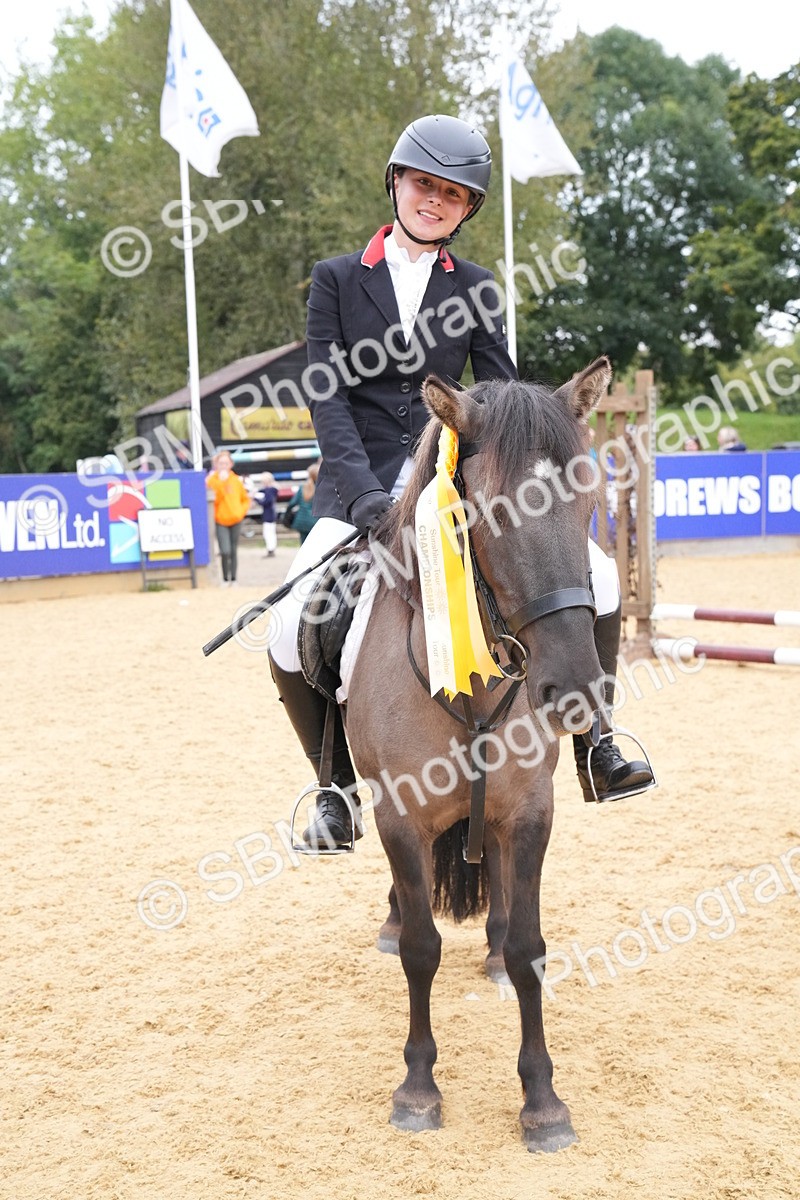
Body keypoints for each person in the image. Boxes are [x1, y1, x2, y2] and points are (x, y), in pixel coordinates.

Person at [267, 114, 654, 851]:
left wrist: (512, 473)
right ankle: (336, 790)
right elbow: (328, 398)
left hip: (457, 487)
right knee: (289, 628)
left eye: (453, 194)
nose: (435, 201)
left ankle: (597, 745)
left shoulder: (476, 287)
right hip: (363, 488)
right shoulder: (337, 280)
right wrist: (364, 497)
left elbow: (503, 394)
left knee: (597, 577)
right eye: (424, 184)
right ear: (397, 183)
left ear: (467, 207)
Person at [205, 451, 251, 586]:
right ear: (216, 464)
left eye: (226, 463)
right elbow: (214, 500)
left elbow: (245, 499)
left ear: (230, 464)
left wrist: (241, 512)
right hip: (221, 520)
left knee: (233, 549)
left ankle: (234, 578)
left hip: (236, 519)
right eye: (221, 463)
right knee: (225, 550)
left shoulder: (236, 480)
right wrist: (222, 484)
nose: (223, 466)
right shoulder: (211, 481)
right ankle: (225, 578)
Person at [283, 463, 320, 544]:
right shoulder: (321, 490)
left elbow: (292, 503)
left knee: (303, 545)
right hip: (315, 522)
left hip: (301, 521)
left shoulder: (302, 488)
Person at [254, 472, 279, 556]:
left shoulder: (270, 491)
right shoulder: (271, 490)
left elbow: (266, 502)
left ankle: (270, 549)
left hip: (269, 514)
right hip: (271, 514)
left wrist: (257, 500)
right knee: (270, 532)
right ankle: (271, 548)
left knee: (268, 533)